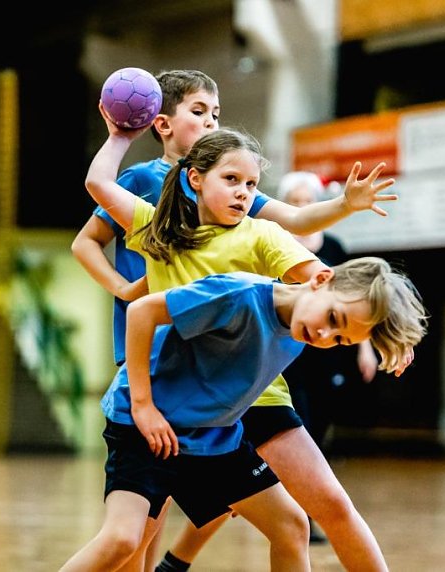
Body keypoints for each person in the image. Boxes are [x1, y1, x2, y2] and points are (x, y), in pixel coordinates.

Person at [71, 69, 398, 569]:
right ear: (195, 175)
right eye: (233, 179)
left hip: (247, 394)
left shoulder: (258, 234)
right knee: (131, 537)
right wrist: (119, 136)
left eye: (250, 183)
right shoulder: (159, 224)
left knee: (302, 515)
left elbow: (332, 283)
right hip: (174, 393)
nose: (244, 191)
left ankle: (174, 563)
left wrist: (384, 324)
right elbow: (97, 195)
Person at [59, 256, 428, 571]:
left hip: (212, 438)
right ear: (320, 278)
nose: (323, 334)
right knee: (124, 541)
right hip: (147, 427)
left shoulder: (301, 325)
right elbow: (142, 311)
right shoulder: (239, 295)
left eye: (340, 339)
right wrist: (143, 405)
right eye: (333, 318)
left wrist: (391, 340)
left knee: (291, 525)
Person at [274, 171, 380, 543]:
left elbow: (354, 299)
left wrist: (365, 347)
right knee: (295, 427)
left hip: (326, 353)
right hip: (288, 356)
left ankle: (302, 511)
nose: (302, 205)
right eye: (297, 199)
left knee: (317, 431)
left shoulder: (333, 246)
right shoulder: (277, 241)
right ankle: (294, 512)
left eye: (308, 199)